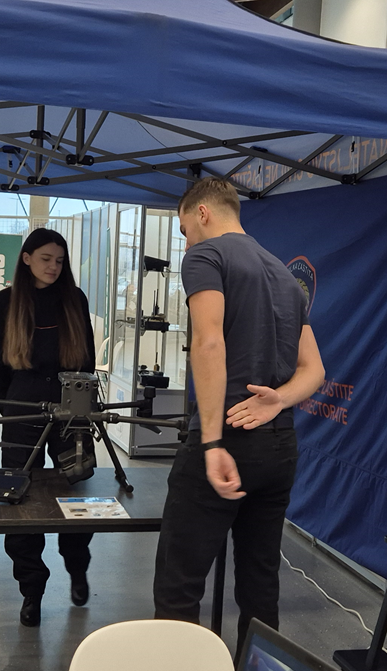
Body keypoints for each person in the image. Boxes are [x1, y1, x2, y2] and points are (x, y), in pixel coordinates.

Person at [153, 178, 325, 644]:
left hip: (226, 439)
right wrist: (279, 400)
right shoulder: (285, 276)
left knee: (178, 587)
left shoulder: (206, 256)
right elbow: (314, 370)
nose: (186, 242)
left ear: (203, 212)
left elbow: (209, 343)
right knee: (260, 584)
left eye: (184, 230)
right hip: (279, 447)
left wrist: (211, 443)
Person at [0, 228, 97, 628]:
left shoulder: (74, 299)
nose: (54, 267)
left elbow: (87, 358)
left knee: (75, 491)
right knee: (18, 497)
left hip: (72, 406)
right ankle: (31, 589)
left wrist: (85, 407)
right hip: (22, 405)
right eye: (46, 259)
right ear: (27, 258)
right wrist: (7, 406)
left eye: (60, 261)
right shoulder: (5, 303)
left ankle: (77, 566)